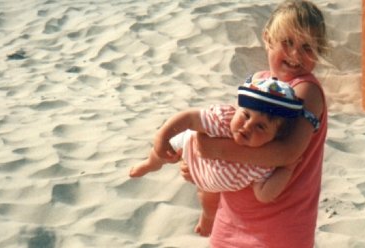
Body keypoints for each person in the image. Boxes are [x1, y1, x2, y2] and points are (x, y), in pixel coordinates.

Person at [178, 1, 330, 247]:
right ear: (268, 38)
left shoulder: (306, 90)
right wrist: (200, 165)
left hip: (281, 226)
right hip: (232, 217)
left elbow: (288, 152)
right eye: (287, 42)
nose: (295, 55)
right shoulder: (258, 82)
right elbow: (235, 132)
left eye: (307, 47)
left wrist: (213, 149)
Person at [129, 78, 315, 236]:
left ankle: (207, 219)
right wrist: (162, 136)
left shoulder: (264, 163)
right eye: (246, 115)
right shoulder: (224, 121)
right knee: (162, 153)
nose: (247, 126)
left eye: (261, 127)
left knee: (209, 204)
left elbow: (264, 194)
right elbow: (189, 118)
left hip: (212, 181)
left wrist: (287, 168)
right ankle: (150, 164)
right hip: (191, 149)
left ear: (275, 137)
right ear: (238, 108)